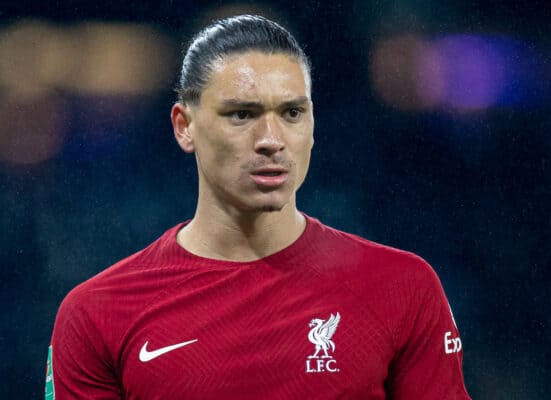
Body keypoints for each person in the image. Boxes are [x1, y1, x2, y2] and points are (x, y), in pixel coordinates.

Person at [46, 15, 471, 399]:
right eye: (242, 114)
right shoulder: (96, 314)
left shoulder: (403, 287)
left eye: (291, 112)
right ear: (184, 126)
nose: (271, 138)